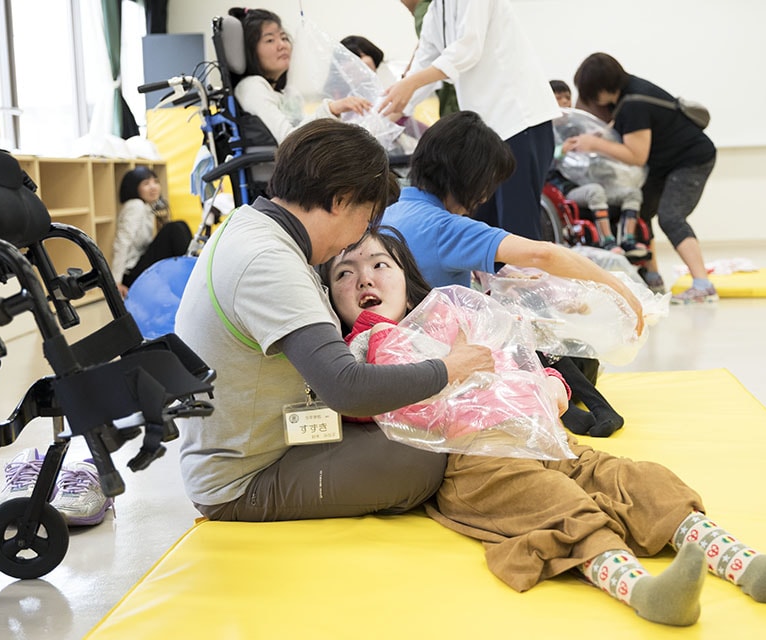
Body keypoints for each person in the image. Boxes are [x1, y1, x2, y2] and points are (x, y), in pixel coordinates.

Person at [324, 228, 766, 627]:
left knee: (642, 480)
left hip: (547, 437)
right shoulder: (363, 346)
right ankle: (644, 591)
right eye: (345, 274)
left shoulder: (450, 310)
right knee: (558, 506)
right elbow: (361, 399)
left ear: (404, 272)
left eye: (379, 264)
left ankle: (751, 567)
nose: (365, 278)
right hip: (476, 462)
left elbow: (517, 355)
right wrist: (436, 363)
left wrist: (554, 383)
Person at [172, 119, 494, 522]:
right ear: (341, 200)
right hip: (241, 480)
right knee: (423, 456)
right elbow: (347, 388)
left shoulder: (251, 227)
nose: (357, 239)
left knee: (419, 425)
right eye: (366, 220)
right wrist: (450, 369)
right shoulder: (269, 262)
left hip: (268, 440)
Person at [382, 110, 644, 437]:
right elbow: (542, 253)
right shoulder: (445, 227)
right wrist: (620, 288)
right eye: (487, 185)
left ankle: (556, 395)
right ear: (469, 177)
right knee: (558, 348)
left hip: (398, 357)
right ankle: (566, 401)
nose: (485, 197)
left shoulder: (391, 212)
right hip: (446, 363)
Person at [381, 0, 561, 242]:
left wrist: (410, 84)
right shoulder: (437, 9)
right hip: (488, 134)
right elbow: (425, 62)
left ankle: (526, 281)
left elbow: (468, 49)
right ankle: (498, 281)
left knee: (517, 228)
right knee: (484, 227)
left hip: (519, 120)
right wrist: (379, 119)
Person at [565, 52, 718, 304]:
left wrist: (594, 143)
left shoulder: (634, 102)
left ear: (601, 89)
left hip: (690, 160)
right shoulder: (627, 94)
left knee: (671, 217)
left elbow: (636, 155)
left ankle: (703, 284)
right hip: (664, 163)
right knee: (640, 213)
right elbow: (621, 135)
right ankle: (653, 277)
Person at [228, 7, 372, 146]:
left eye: (284, 38)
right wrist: (332, 108)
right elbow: (289, 139)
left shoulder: (284, 93)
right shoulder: (252, 87)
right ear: (250, 50)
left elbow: (302, 129)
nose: (282, 45)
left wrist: (334, 110)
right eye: (270, 40)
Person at [548, 79, 647, 258]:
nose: (564, 102)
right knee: (596, 191)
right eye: (558, 98)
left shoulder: (579, 126)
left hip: (594, 181)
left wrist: (598, 141)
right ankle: (606, 240)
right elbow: (542, 161)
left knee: (633, 193)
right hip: (567, 191)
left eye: (567, 97)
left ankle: (628, 239)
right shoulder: (544, 132)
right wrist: (561, 151)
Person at [112, 166, 191, 298]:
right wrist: (115, 282)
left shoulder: (147, 208)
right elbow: (122, 242)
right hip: (131, 275)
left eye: (155, 182)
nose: (153, 187)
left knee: (180, 225)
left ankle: (192, 269)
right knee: (173, 229)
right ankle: (194, 273)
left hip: (139, 268)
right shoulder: (135, 206)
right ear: (134, 188)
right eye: (146, 183)